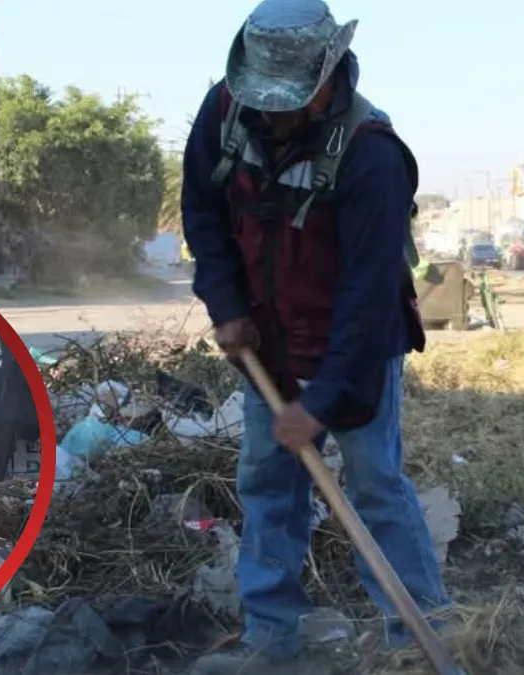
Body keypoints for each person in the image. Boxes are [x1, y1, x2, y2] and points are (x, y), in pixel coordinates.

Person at [179, 1, 456, 673]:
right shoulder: (225, 114)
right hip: (267, 347)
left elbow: (366, 298)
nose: (273, 116)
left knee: (374, 486)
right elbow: (202, 211)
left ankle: (421, 638)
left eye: (288, 102)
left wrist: (321, 400)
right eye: (262, 101)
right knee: (267, 481)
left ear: (328, 78)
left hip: (356, 350)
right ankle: (272, 635)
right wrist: (225, 304)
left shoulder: (372, 155)